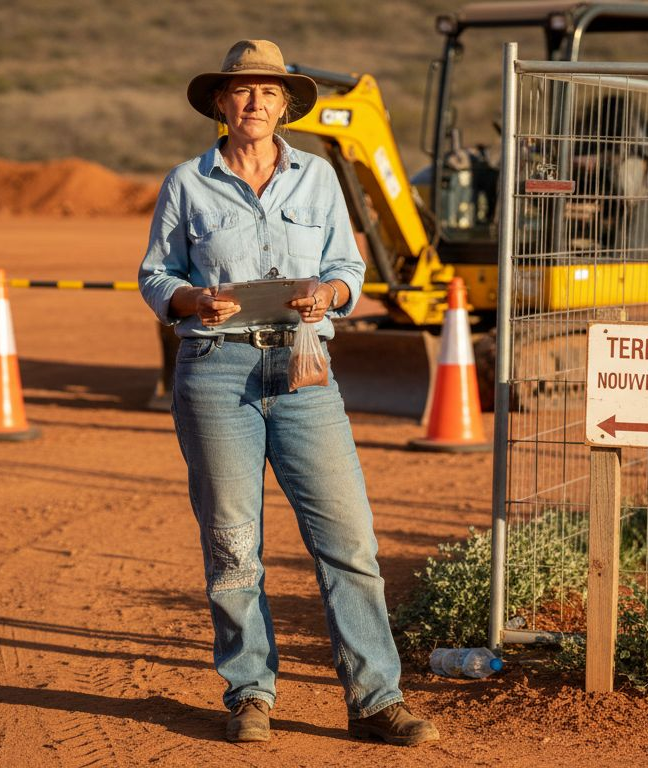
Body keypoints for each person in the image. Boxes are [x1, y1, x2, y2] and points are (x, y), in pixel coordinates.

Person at [137, 40, 440, 747]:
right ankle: (250, 693)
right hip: (216, 371)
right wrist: (192, 300)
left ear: (284, 106)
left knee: (349, 540)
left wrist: (327, 294)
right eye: (243, 90)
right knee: (233, 544)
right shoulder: (187, 183)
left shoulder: (318, 179)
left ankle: (376, 700)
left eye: (268, 92)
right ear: (220, 102)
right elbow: (156, 276)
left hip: (305, 373)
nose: (255, 102)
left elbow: (348, 270)